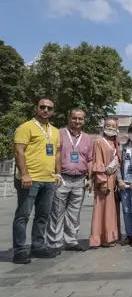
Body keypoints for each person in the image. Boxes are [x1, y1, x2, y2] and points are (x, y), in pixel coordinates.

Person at [12, 98, 62, 264]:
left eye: (49, 108)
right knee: (23, 215)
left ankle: (38, 246)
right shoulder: (25, 127)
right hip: (30, 179)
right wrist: (25, 174)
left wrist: (58, 173)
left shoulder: (54, 131)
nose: (46, 110)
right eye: (42, 107)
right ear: (36, 108)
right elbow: (19, 151)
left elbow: (56, 154)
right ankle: (19, 250)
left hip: (48, 180)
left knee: (42, 215)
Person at [47, 108, 93, 253]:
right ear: (69, 118)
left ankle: (71, 240)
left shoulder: (87, 138)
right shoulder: (59, 134)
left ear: (84, 120)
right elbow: (52, 154)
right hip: (63, 178)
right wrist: (55, 174)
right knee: (57, 212)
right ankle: (54, 243)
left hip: (79, 179)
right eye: (74, 118)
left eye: (80, 119)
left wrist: (90, 178)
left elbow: (90, 160)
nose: (77, 121)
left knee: (74, 212)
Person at [89, 118, 121, 249]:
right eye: (108, 125)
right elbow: (98, 161)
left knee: (111, 210)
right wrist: (101, 181)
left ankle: (110, 236)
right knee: (102, 208)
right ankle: (99, 238)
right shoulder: (98, 142)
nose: (110, 128)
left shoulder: (115, 143)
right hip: (104, 179)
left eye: (113, 126)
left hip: (113, 179)